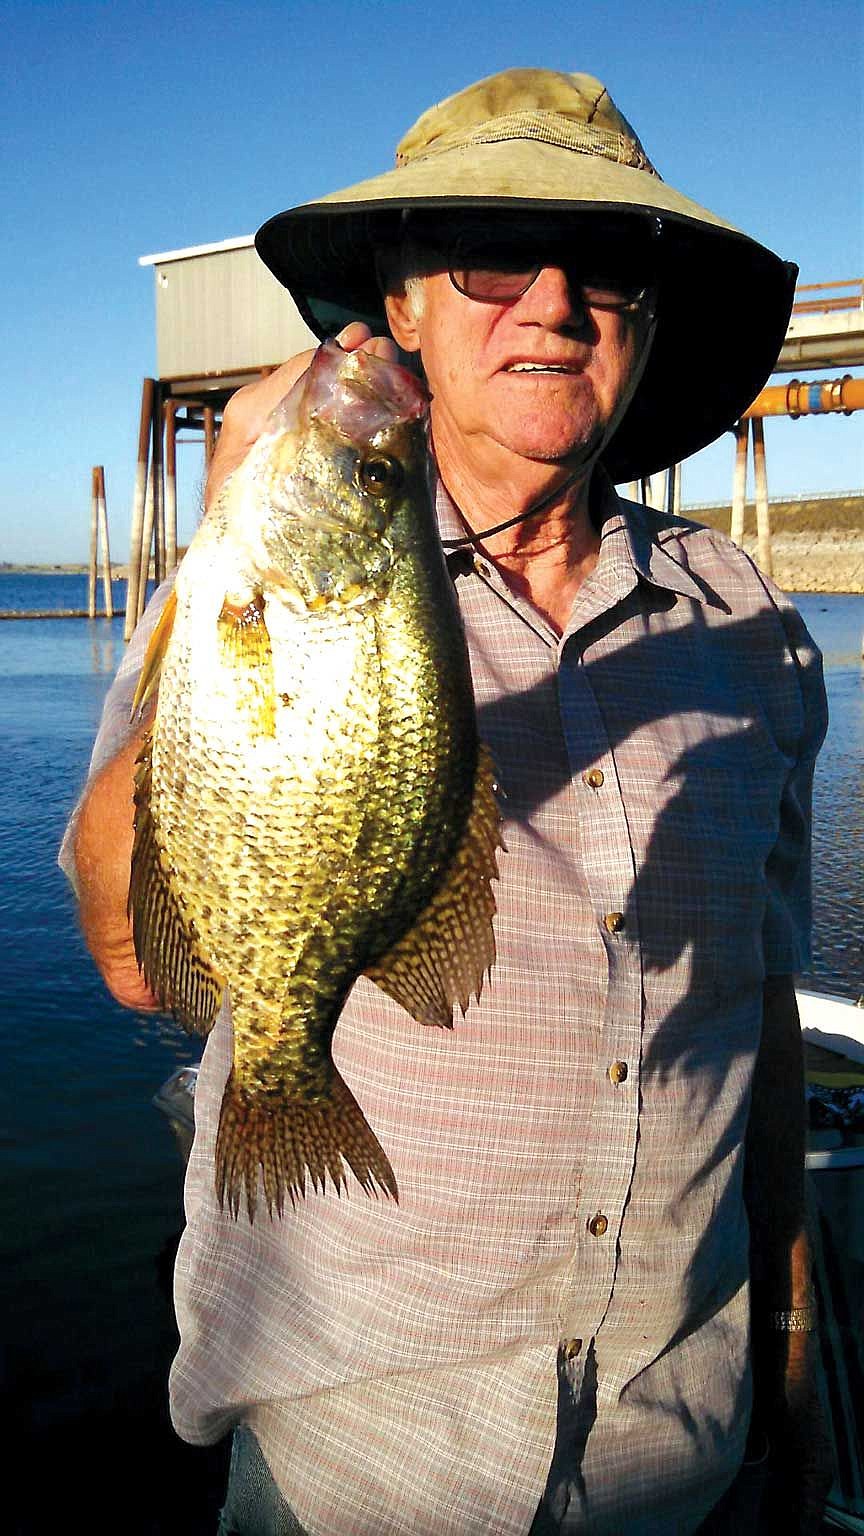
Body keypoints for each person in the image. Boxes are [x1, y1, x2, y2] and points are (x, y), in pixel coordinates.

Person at [64, 69, 833, 1535]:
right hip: (358, 1456)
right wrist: (237, 508)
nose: (549, 303)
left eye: (602, 268)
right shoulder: (241, 583)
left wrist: (791, 1332)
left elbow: (764, 1010)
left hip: (677, 1451)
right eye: (488, 259)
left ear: (649, 318)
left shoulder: (752, 624)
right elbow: (127, 953)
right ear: (398, 309)